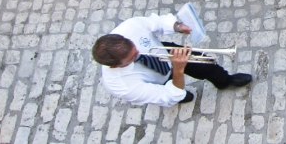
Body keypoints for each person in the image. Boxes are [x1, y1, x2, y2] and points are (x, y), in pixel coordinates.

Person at [92, 13, 252, 106]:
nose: (139, 53)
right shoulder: (120, 85)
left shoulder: (128, 28)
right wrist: (178, 69)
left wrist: (177, 26)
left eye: (135, 47)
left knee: (207, 65)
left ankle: (225, 81)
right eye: (133, 57)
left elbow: (157, 22)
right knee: (178, 95)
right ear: (115, 66)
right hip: (157, 81)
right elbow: (167, 95)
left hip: (165, 51)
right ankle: (184, 97)